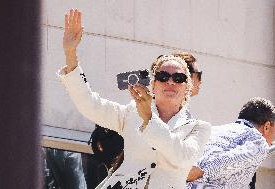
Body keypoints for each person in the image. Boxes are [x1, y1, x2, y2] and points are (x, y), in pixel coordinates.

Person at [57, 9, 211, 188]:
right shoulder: (132, 111)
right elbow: (89, 104)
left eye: (178, 78)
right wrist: (71, 54)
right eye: (162, 76)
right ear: (153, 85)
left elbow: (182, 157)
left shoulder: (199, 128)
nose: (170, 82)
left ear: (187, 87)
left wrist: (149, 119)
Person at [186, 97, 275, 189]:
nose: (272, 140)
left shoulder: (214, 130)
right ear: (267, 127)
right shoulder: (258, 141)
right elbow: (226, 161)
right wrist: (200, 172)